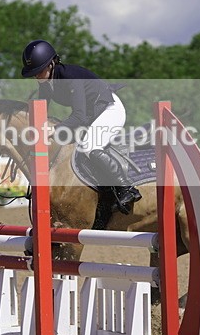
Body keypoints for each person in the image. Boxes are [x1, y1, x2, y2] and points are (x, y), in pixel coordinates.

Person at [21, 39, 141, 214]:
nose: (36, 76)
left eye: (39, 70)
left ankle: (126, 188)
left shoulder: (70, 77)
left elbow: (79, 116)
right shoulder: (46, 83)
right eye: (34, 72)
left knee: (88, 146)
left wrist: (54, 129)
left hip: (109, 109)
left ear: (52, 63)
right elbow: (41, 112)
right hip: (92, 115)